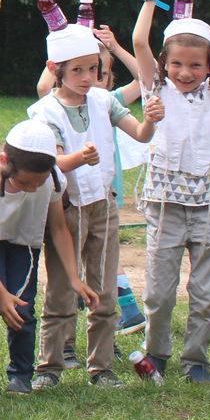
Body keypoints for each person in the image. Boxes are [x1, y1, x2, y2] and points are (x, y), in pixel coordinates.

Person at [28, 23, 160, 391]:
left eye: (94, 69)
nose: (88, 78)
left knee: (103, 291)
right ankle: (49, 366)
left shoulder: (104, 101)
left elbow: (141, 134)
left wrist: (151, 118)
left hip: (104, 205)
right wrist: (77, 158)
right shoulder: (44, 112)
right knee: (61, 289)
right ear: (56, 70)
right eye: (78, 70)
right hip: (65, 210)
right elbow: (51, 163)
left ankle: (101, 369)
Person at [132, 0, 210, 383]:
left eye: (196, 64)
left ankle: (196, 359)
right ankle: (157, 354)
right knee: (159, 293)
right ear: (164, 64)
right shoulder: (155, 87)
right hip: (165, 206)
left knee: (205, 294)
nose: (185, 72)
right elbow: (140, 42)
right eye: (177, 63)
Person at [0, 119, 99, 396]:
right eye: (25, 182)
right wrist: (0, 293)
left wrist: (74, 277)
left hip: (24, 243)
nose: (33, 188)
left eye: (39, 182)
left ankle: (20, 375)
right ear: (4, 161)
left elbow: (58, 228)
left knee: (22, 306)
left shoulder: (53, 179)